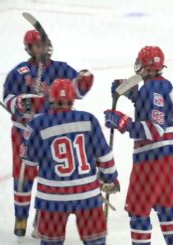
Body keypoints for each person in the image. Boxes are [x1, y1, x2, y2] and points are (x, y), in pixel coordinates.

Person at [3, 29, 94, 236]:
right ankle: (21, 216)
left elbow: (78, 91)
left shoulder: (60, 69)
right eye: (37, 45)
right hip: (23, 133)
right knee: (22, 177)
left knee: (48, 178)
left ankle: (41, 219)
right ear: (29, 48)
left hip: (50, 133)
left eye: (44, 43)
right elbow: (8, 98)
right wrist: (20, 103)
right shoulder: (20, 72)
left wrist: (84, 80)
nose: (42, 48)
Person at [18, 79, 119, 244]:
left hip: (52, 199)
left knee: (51, 242)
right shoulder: (88, 120)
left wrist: (30, 128)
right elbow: (104, 154)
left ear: (51, 99)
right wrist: (110, 179)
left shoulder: (38, 124)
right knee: (95, 241)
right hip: (86, 195)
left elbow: (29, 160)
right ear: (73, 99)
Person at [105, 46, 173, 245]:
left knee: (138, 209)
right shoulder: (163, 85)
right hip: (170, 153)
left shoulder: (151, 89)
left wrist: (123, 123)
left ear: (145, 66)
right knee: (164, 205)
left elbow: (154, 130)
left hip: (152, 157)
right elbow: (154, 109)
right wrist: (133, 94)